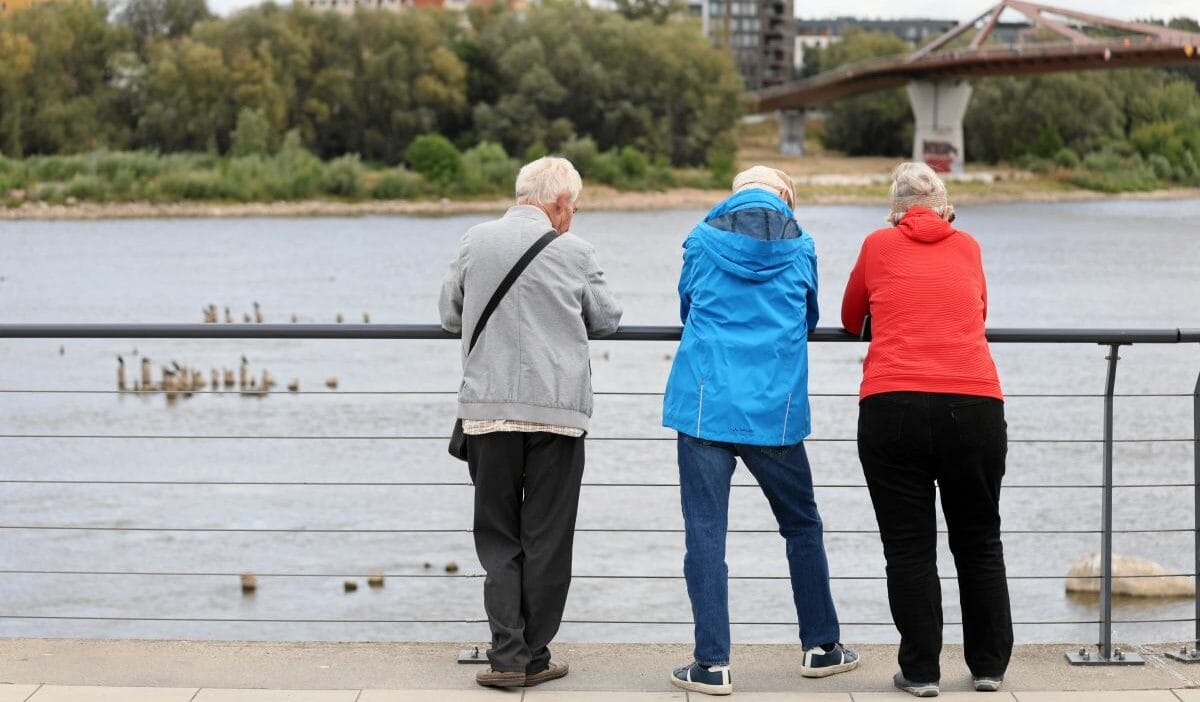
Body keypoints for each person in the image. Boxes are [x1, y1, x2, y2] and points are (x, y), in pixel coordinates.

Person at [662, 165, 859, 696]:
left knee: (705, 532)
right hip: (776, 410)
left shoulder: (700, 240)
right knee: (802, 526)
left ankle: (712, 665)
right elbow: (809, 317)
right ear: (785, 198)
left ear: (734, 197)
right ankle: (822, 647)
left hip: (704, 406)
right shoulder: (803, 247)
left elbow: (687, 307)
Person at [438, 156, 623, 689]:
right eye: (575, 207)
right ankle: (535, 655)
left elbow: (449, 317)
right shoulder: (576, 251)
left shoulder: (474, 240)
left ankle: (507, 655)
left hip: (487, 412)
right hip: (556, 414)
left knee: (498, 536)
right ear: (560, 203)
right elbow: (607, 320)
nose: (573, 216)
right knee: (547, 537)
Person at [841, 162, 1012, 698]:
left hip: (893, 405)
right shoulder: (969, 246)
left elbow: (849, 318)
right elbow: (979, 313)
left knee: (908, 547)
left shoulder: (878, 244)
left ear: (895, 212)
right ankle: (988, 667)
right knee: (979, 538)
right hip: (974, 403)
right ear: (945, 209)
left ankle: (920, 672)